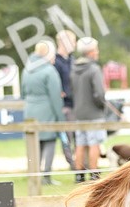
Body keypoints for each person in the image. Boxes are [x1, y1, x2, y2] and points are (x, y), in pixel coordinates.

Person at [22, 40, 65, 185]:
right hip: (47, 110)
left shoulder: (26, 69)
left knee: (34, 143)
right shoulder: (49, 71)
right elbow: (55, 97)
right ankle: (46, 175)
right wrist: (60, 117)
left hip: (30, 111)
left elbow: (23, 93)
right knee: (49, 142)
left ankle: (34, 174)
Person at [70, 37, 110, 182]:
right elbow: (99, 93)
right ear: (92, 52)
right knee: (95, 143)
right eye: (96, 49)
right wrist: (102, 105)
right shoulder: (94, 69)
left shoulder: (74, 68)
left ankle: (79, 175)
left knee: (80, 144)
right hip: (93, 112)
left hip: (79, 112)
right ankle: (94, 174)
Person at [54, 30, 78, 173]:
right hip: (65, 106)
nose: (74, 45)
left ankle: (80, 164)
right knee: (67, 137)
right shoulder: (56, 62)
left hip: (76, 104)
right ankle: (73, 164)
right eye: (72, 41)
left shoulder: (72, 60)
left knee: (78, 136)